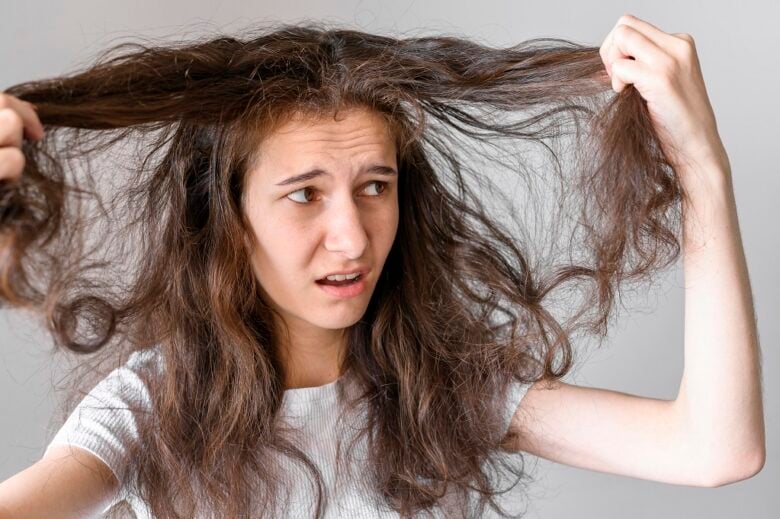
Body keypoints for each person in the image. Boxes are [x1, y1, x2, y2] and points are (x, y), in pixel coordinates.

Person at [0, 13, 764, 519]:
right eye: (304, 195)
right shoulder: (146, 410)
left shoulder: (444, 389)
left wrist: (702, 170)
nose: (354, 238)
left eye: (375, 187)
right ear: (228, 223)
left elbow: (713, 448)